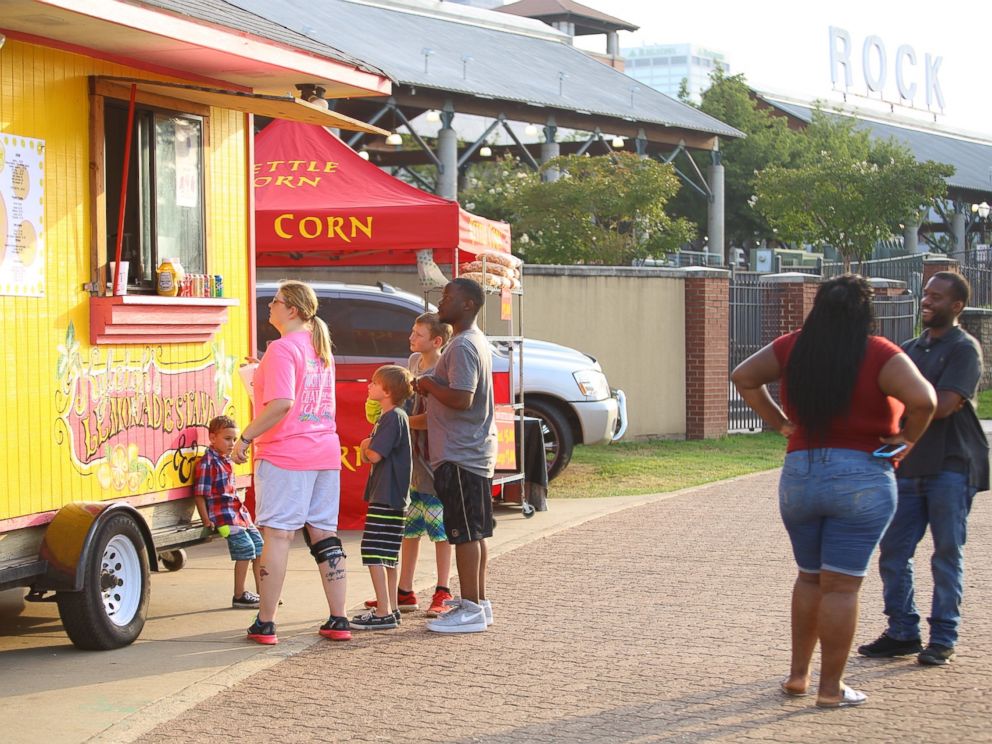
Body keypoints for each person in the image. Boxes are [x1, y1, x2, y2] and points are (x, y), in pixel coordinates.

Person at [731, 274, 935, 708]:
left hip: (800, 472)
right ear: (866, 312)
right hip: (861, 476)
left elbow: (744, 376)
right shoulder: (880, 353)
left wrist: (780, 422)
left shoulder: (793, 346)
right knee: (841, 587)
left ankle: (797, 677)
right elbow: (926, 401)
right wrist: (906, 439)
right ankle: (830, 689)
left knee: (809, 577)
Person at [859, 272, 989, 666]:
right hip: (909, 467)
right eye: (925, 294)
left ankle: (943, 636)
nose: (926, 301)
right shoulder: (910, 349)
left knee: (946, 553)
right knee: (894, 551)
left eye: (936, 296)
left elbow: (946, 404)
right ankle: (902, 631)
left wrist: (909, 405)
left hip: (951, 465)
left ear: (957, 306)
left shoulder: (965, 349)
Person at [232, 280, 350, 645]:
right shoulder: (320, 348)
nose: (270, 306)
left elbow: (282, 404)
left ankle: (266, 622)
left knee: (278, 535)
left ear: (293, 310)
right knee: (324, 533)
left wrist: (246, 436)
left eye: (276, 301)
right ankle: (338, 618)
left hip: (285, 453)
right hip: (324, 452)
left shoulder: (283, 349)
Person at [416, 278, 497, 634]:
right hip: (470, 451)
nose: (440, 302)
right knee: (473, 532)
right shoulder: (471, 341)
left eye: (448, 298)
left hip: (461, 454)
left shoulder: (463, 346)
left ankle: (470, 609)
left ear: (467, 305)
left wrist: (429, 384)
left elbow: (462, 397)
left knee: (464, 534)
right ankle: (478, 603)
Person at [362, 312, 455, 617]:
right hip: (411, 464)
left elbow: (434, 419)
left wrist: (398, 424)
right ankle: (404, 589)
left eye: (418, 334)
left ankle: (443, 589)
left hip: (435, 460)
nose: (411, 338)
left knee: (440, 529)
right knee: (409, 528)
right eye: (412, 332)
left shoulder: (443, 370)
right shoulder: (413, 364)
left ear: (436, 341)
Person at [350, 365, 415, 630]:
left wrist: (366, 444)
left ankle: (383, 610)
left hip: (387, 494)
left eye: (374, 384)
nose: (369, 387)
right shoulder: (394, 416)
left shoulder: (391, 418)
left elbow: (374, 454)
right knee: (388, 553)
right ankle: (392, 607)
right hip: (393, 494)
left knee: (374, 550)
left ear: (387, 391)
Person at [193, 415, 263, 609]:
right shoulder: (207, 463)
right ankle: (239, 595)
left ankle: (263, 592)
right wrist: (206, 520)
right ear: (212, 438)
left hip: (239, 514)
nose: (232, 443)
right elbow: (200, 494)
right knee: (245, 549)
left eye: (234, 439)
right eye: (227, 439)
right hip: (223, 519)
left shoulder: (225, 460)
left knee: (259, 546)